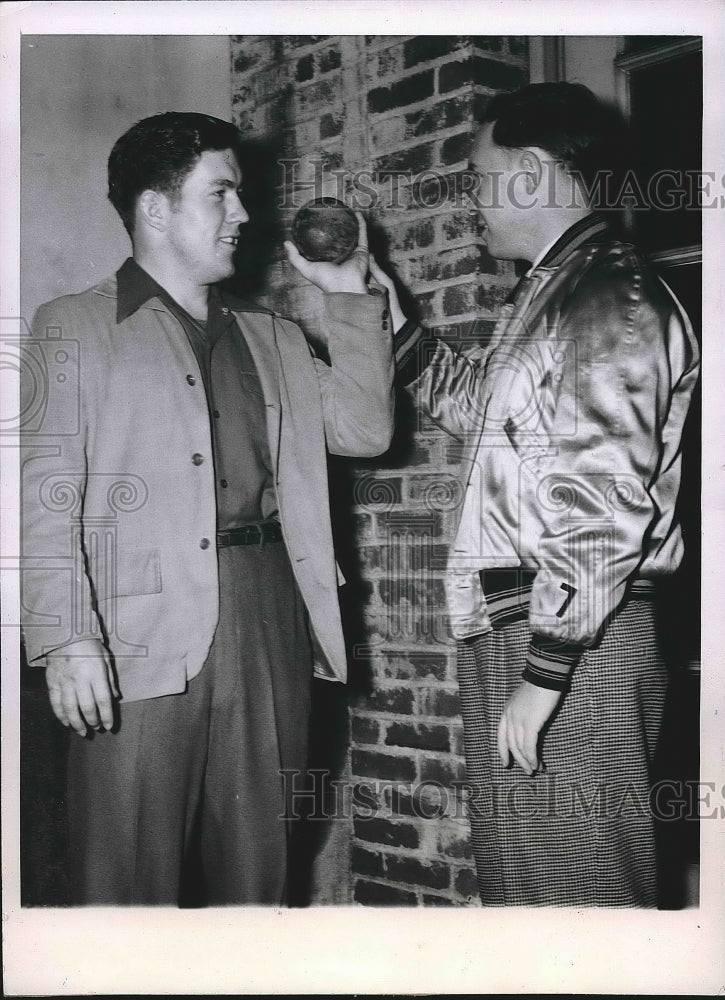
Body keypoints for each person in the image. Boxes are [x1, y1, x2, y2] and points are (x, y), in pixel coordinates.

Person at [324, 82, 698, 907]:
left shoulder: (607, 298)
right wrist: (393, 324)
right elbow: (481, 413)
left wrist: (546, 672)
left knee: (582, 900)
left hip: (574, 644)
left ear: (532, 172)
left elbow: (603, 506)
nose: (471, 198)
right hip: (536, 629)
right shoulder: (558, 289)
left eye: (478, 175)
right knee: (532, 897)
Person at [20, 112, 394, 905]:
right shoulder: (73, 326)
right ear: (156, 209)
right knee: (122, 884)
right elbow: (43, 498)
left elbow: (364, 431)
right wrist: (65, 638)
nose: (244, 215)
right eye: (220, 194)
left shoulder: (274, 338)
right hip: (133, 635)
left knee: (257, 881)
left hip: (269, 619)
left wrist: (349, 297)